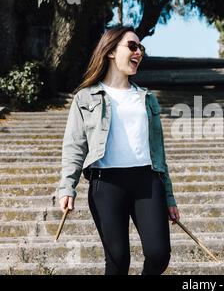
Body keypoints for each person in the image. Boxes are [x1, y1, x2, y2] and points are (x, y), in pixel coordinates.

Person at [58, 26, 179, 275]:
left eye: (141, 48)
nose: (139, 52)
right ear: (111, 51)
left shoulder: (147, 98)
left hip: (147, 181)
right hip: (107, 184)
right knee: (118, 260)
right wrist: (67, 186)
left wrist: (169, 196)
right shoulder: (85, 97)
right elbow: (74, 146)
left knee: (159, 254)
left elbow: (159, 153)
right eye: (132, 46)